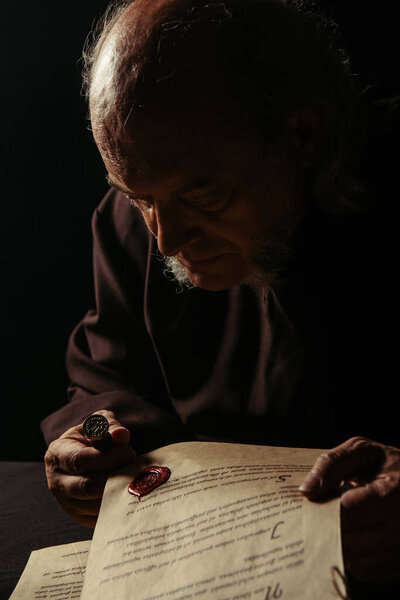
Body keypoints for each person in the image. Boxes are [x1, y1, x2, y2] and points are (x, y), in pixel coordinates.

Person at [41, 0, 400, 589]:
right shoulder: (134, 220)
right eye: (137, 195)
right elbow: (107, 379)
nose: (167, 239)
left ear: (302, 135)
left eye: (203, 196)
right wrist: (94, 442)